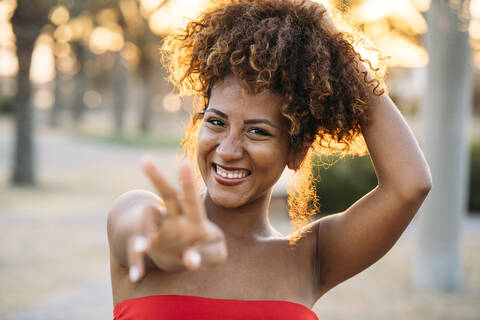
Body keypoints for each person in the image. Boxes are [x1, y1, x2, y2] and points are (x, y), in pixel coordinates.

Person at [107, 0, 432, 319]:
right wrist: (161, 244)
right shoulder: (137, 212)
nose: (228, 150)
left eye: (257, 132)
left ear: (296, 150)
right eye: (216, 122)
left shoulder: (311, 257)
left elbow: (410, 186)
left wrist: (332, 40)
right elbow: (137, 230)